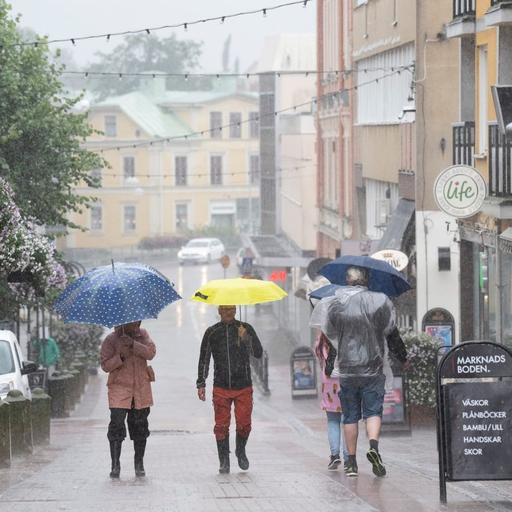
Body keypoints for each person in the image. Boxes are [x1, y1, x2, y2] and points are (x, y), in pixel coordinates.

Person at [311, 266, 407, 478]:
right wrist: (403, 357)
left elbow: (332, 335)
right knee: (373, 412)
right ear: (367, 280)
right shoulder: (381, 301)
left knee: (350, 416)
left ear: (347, 280)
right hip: (373, 367)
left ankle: (351, 464)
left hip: (348, 369)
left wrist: (335, 358)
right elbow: (392, 334)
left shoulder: (336, 304)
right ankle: (373, 446)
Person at [197, 305, 263, 474]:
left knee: (244, 424)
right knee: (221, 426)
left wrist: (246, 338)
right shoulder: (212, 332)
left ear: (235, 310)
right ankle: (224, 460)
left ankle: (240, 450)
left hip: (243, 385)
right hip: (221, 385)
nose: (228, 312)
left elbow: (258, 353)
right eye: (225, 309)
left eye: (231, 309)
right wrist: (201, 382)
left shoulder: (245, 328)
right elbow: (204, 358)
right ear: (219, 311)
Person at [100, 320, 156, 479]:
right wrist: (120, 356)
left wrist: (134, 345)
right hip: (119, 389)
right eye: (134, 322)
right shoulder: (111, 340)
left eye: (138, 321)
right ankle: (115, 464)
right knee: (116, 424)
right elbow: (105, 365)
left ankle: (139, 463)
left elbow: (151, 353)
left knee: (140, 425)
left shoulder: (143, 335)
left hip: (140, 389)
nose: (137, 324)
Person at [314, 332, 349, 471]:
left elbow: (319, 356)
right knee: (348, 421)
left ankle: (335, 455)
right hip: (346, 381)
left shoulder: (322, 340)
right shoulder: (347, 335)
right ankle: (348, 458)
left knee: (333, 420)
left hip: (329, 385)